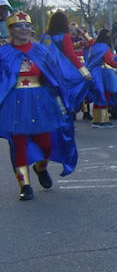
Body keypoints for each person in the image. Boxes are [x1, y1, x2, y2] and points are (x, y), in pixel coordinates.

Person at [0, 10, 85, 199]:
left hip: (40, 101)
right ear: (11, 29)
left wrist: (62, 99)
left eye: (27, 26)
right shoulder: (3, 53)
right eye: (19, 25)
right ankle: (25, 186)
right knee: (19, 144)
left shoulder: (41, 50)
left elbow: (55, 76)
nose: (24, 29)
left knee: (45, 144)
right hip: (16, 103)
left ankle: (40, 168)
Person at [84, 28, 117, 128]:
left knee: (99, 96)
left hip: (93, 72)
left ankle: (96, 120)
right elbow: (109, 60)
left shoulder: (95, 46)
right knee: (104, 95)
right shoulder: (105, 47)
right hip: (102, 73)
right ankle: (103, 120)